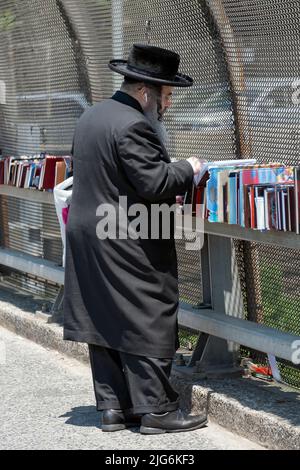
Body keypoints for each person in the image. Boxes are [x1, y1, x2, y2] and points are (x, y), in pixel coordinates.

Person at [63, 43, 207, 434]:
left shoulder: (92, 115)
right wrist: (189, 167)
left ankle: (113, 407)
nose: (169, 105)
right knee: (149, 311)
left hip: (87, 233)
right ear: (146, 91)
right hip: (123, 235)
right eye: (167, 96)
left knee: (104, 314)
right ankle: (157, 410)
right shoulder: (134, 125)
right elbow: (154, 182)